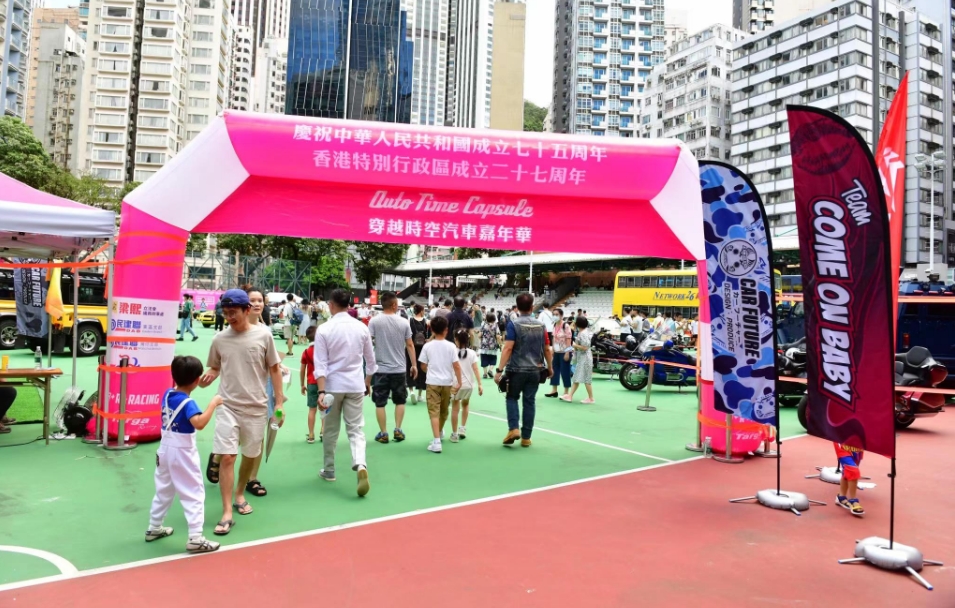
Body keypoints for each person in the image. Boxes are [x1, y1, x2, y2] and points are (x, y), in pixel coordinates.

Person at [200, 288, 284, 536]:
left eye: (234, 312)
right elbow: (215, 367)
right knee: (228, 457)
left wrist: (278, 403)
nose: (230, 317)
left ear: (247, 310)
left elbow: (275, 370)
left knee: (250, 455)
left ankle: (239, 492)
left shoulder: (264, 337)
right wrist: (207, 378)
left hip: (257, 407)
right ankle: (227, 511)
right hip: (227, 405)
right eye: (225, 313)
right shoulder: (219, 339)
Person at [146, 356, 221, 553]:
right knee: (194, 492)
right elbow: (199, 423)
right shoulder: (189, 403)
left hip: (164, 449)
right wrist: (213, 404)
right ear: (197, 380)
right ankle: (196, 537)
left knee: (164, 489)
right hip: (183, 452)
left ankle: (154, 527)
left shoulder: (167, 394)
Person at [314, 289, 377, 497]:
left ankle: (329, 470)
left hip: (332, 386)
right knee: (356, 429)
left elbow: (320, 364)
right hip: (355, 384)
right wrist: (367, 381)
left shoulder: (324, 329)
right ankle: (360, 464)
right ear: (349, 304)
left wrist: (321, 391)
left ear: (331, 305)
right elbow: (371, 360)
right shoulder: (362, 328)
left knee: (330, 430)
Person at [494, 293, 553, 448]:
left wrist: (499, 370)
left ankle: (513, 428)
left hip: (516, 369)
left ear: (517, 307)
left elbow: (508, 348)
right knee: (529, 401)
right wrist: (550, 367)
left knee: (512, 397)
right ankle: (526, 437)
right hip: (535, 369)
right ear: (532, 307)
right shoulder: (541, 326)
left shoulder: (513, 324)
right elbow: (547, 348)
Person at [368, 291, 416, 444]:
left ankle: (383, 433)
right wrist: (413, 364)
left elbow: (368, 344)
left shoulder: (374, 321)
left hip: (380, 368)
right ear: (394, 305)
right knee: (400, 400)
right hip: (399, 369)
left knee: (380, 402)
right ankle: (398, 429)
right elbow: (409, 344)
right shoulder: (404, 322)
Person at [418, 316, 461, 453]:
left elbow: (423, 365)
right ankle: (439, 432)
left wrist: (429, 370)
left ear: (431, 330)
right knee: (443, 410)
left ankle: (436, 440)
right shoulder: (451, 346)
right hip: (447, 383)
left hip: (432, 382)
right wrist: (459, 381)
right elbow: (456, 366)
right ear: (446, 330)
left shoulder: (427, 346)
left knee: (433, 412)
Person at [450, 328, 481, 442]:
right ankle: (462, 428)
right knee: (466, 405)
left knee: (455, 408)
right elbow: (476, 369)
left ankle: (454, 434)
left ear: (456, 340)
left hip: (456, 384)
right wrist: (480, 384)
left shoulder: (452, 352)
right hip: (469, 385)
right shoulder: (472, 353)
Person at [563, 316, 595, 404]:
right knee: (579, 377)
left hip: (585, 358)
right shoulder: (584, 332)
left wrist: (575, 346)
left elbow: (585, 347)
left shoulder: (583, 333)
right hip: (583, 357)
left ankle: (590, 398)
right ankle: (571, 396)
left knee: (583, 378)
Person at [300, 325, 324, 444]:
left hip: (311, 383)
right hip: (323, 383)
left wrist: (302, 385)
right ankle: (323, 431)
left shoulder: (306, 352)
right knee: (325, 409)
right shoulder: (323, 350)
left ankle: (311, 434)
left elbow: (302, 370)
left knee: (312, 409)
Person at [545, 309, 573, 399]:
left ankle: (566, 392)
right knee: (554, 370)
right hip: (556, 352)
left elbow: (569, 340)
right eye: (554, 314)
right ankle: (554, 390)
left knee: (565, 372)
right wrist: (552, 349)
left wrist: (567, 352)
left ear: (561, 315)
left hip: (564, 352)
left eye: (557, 314)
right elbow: (553, 338)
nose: (555, 316)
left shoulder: (566, 325)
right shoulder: (554, 325)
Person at [834, 443, 865, 516]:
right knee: (853, 470)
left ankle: (841, 497)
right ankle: (853, 501)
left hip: (857, 443)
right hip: (841, 441)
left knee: (848, 470)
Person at [408, 304, 430, 405]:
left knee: (412, 366)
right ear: (421, 311)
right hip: (423, 348)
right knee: (422, 369)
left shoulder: (409, 320)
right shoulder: (426, 321)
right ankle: (420, 394)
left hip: (411, 347)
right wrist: (428, 339)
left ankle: (411, 391)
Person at [479, 313, 502, 379]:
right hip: (492, 345)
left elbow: (479, 335)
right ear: (494, 318)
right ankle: (490, 370)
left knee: (484, 358)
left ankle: (485, 374)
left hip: (484, 345)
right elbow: (498, 336)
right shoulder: (495, 326)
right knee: (493, 358)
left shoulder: (483, 325)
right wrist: (500, 343)